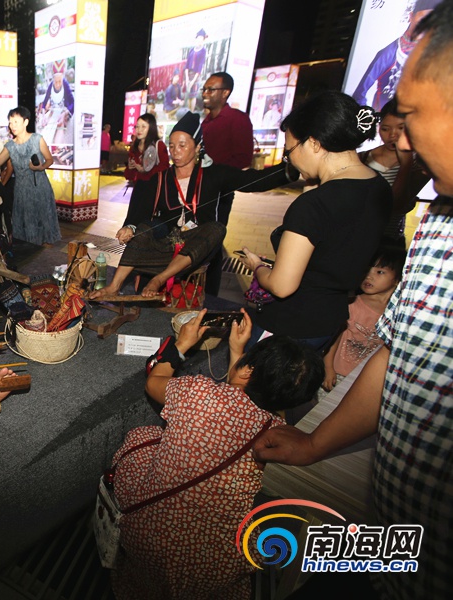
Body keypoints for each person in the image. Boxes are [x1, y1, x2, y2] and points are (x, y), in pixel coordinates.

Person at [254, 5, 453, 595]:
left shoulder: (315, 204)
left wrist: (260, 271)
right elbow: (396, 354)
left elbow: (283, 284)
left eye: (409, 116)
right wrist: (315, 445)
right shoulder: (421, 215)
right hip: (390, 534)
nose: (399, 140)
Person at [110, 309, 324, 600]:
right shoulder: (277, 432)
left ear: (248, 370)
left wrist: (182, 344)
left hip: (147, 538)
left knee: (143, 436)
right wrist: (238, 352)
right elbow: (245, 397)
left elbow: (154, 381)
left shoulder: (198, 392)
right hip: (217, 565)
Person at [238, 91, 391, 350]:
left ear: (314, 143)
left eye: (289, 151)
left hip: (289, 326)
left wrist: (258, 266)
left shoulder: (314, 205)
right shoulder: (380, 187)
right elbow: (336, 246)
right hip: (330, 320)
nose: (290, 160)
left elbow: (282, 286)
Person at [89, 111, 289, 300]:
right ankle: (114, 286)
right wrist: (129, 227)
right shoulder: (161, 179)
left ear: (198, 146)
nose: (175, 152)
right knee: (144, 229)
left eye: (182, 146)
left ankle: (159, 279)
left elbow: (253, 180)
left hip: (198, 248)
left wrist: (290, 168)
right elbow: (140, 211)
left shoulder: (213, 175)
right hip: (166, 247)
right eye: (172, 146)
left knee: (217, 229)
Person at [200, 71, 256, 295]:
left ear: (225, 93)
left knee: (213, 242)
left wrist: (216, 171)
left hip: (221, 191)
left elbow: (243, 158)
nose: (205, 93)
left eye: (211, 89)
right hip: (200, 190)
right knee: (198, 239)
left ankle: (210, 294)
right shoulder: (205, 121)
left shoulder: (237, 119)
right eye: (204, 89)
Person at [321, 246, 404, 392]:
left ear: (398, 279)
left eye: (380, 272)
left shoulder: (398, 313)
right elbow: (334, 338)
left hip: (366, 380)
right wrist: (328, 367)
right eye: (366, 270)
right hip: (336, 373)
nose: (368, 276)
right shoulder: (351, 303)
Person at [359, 99, 426, 246]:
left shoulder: (420, 164)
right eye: (385, 129)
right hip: (357, 238)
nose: (392, 135)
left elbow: (395, 205)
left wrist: (406, 164)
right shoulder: (362, 158)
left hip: (389, 244)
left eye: (401, 128)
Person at [351, 0, 440, 111]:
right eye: (423, 19)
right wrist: (371, 117)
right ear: (411, 16)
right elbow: (359, 94)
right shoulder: (388, 54)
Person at [0, 107, 61, 246]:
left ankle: (43, 252)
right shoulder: (10, 146)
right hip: (21, 190)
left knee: (42, 219)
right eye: (10, 122)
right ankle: (31, 250)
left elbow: (49, 159)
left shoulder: (37, 139)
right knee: (26, 222)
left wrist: (40, 167)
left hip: (40, 187)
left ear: (25, 122)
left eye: (15, 122)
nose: (12, 126)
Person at [122, 112, 169, 225]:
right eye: (137, 126)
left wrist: (146, 170)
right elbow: (129, 175)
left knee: (145, 224)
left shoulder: (158, 145)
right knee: (132, 222)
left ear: (151, 128)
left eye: (143, 126)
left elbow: (165, 168)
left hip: (152, 191)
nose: (139, 130)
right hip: (138, 190)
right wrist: (130, 168)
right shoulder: (134, 148)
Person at [183, 29, 207, 112]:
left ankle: (191, 112)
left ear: (203, 40)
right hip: (188, 74)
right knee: (188, 95)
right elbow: (187, 64)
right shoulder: (191, 50)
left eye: (202, 38)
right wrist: (187, 78)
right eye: (198, 38)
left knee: (193, 96)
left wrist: (193, 81)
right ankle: (188, 113)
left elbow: (200, 66)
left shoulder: (203, 51)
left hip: (196, 76)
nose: (200, 40)